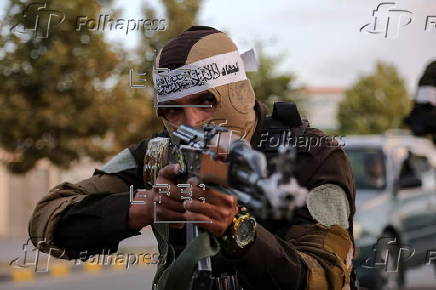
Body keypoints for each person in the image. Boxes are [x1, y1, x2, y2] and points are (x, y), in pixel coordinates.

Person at [28, 26, 356, 290]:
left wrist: (240, 233)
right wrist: (138, 208)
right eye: (173, 111)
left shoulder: (311, 156)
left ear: (239, 94)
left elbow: (325, 275)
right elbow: (46, 221)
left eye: (204, 102)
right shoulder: (156, 155)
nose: (190, 123)